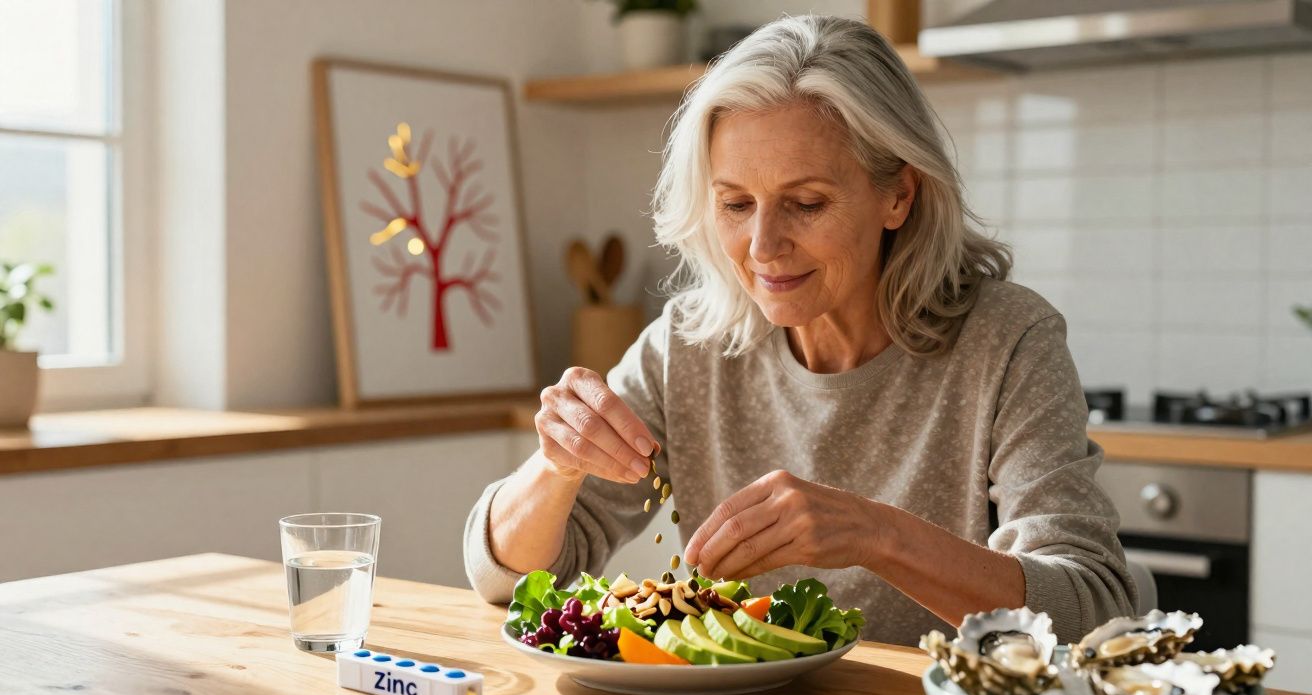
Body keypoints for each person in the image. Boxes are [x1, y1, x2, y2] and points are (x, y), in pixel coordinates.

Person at [463, 14, 1136, 645]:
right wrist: (555, 469)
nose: (761, 246)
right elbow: (502, 577)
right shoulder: (689, 345)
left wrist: (876, 534)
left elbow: (1095, 609)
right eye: (735, 204)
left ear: (899, 194)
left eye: (806, 204)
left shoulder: (1007, 341)